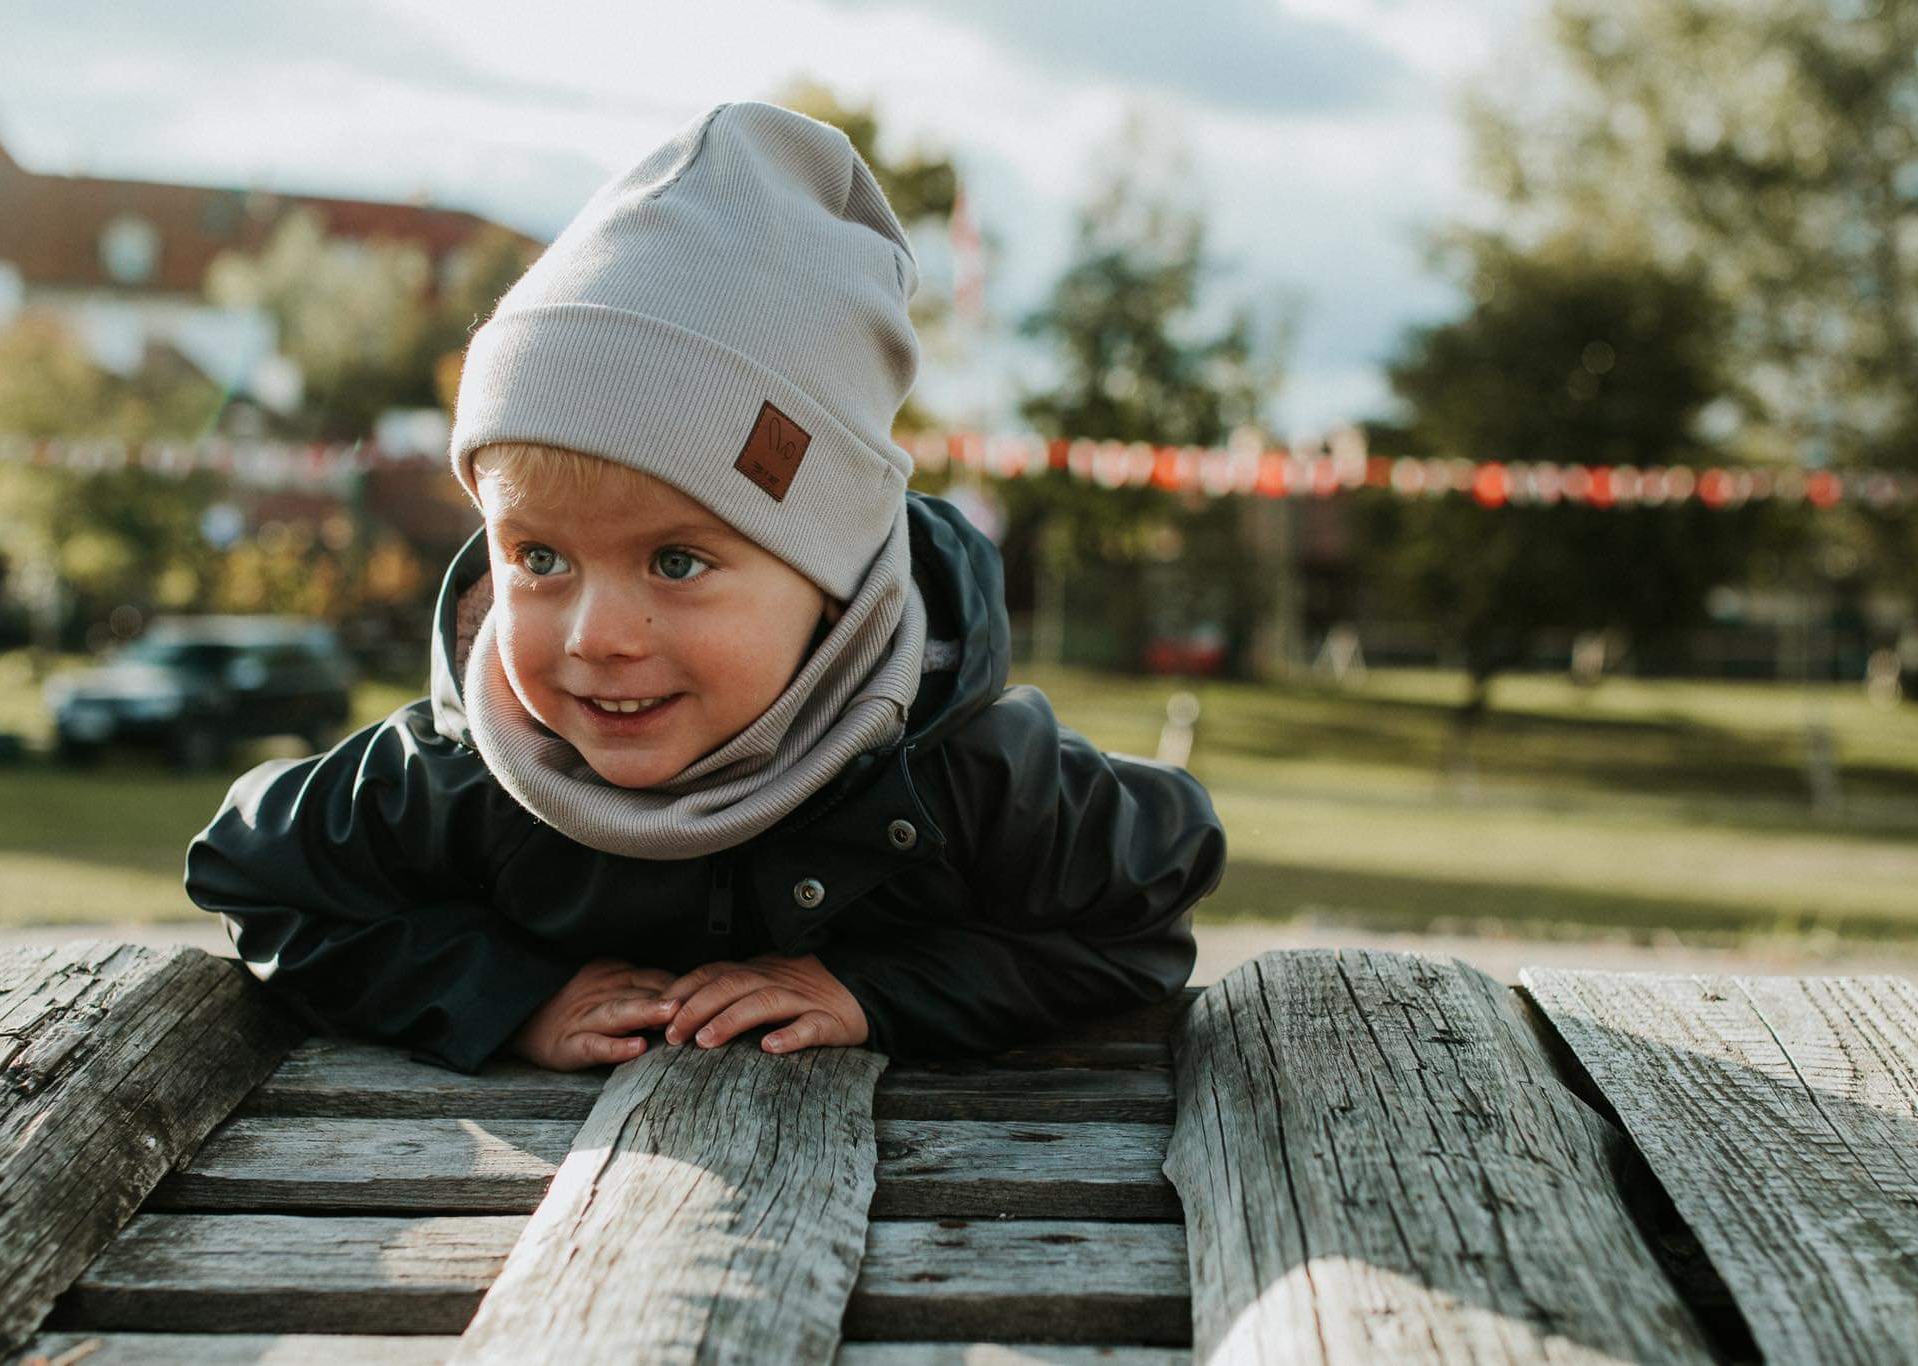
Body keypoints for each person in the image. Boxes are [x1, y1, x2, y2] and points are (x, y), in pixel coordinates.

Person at [184, 100, 1225, 1075]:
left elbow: (1140, 914)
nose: (596, 635)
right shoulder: (463, 774)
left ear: (832, 575)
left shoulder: (958, 773)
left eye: (675, 562)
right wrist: (509, 994)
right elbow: (258, 879)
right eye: (538, 559)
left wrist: (878, 991)